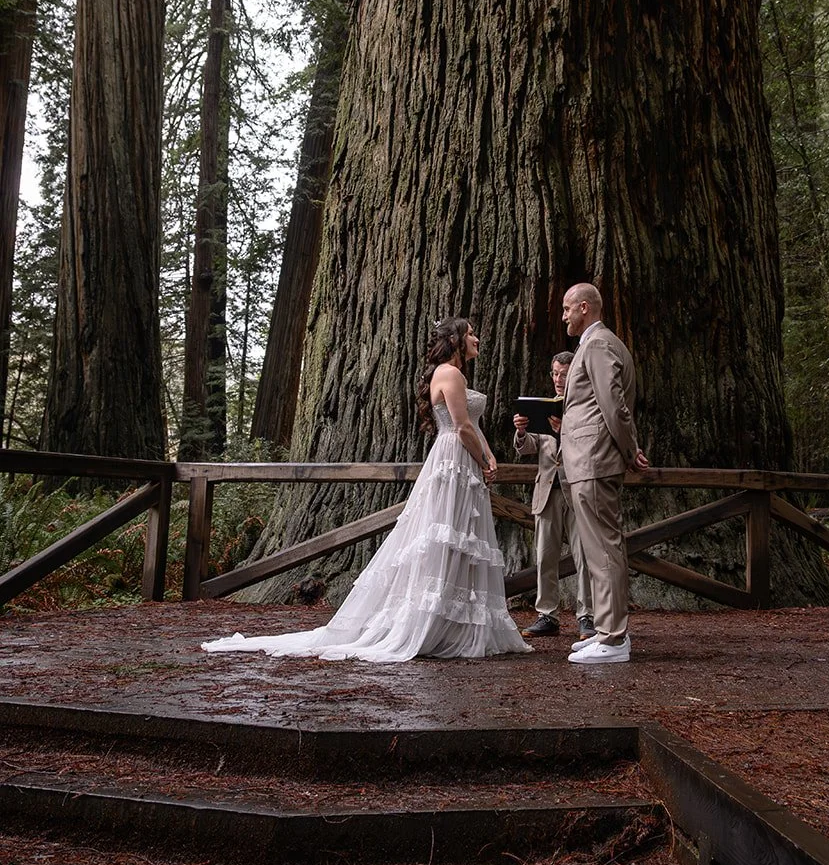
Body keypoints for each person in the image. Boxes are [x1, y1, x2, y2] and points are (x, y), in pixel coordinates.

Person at [201, 318, 531, 663]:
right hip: (454, 460)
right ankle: (431, 625)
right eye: (471, 333)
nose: (477, 338)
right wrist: (482, 461)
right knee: (446, 538)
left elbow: (473, 426)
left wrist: (489, 456)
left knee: (462, 539)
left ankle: (454, 626)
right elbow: (460, 427)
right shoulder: (450, 373)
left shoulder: (455, 375)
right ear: (456, 339)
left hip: (465, 459)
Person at [558, 283, 649, 665]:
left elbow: (614, 405)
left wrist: (630, 450)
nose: (563, 316)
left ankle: (613, 639)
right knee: (597, 549)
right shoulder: (598, 344)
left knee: (604, 549)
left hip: (594, 459)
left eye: (567, 309)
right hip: (588, 459)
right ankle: (605, 629)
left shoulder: (597, 344)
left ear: (585, 307)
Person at [513, 351, 594, 640]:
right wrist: (521, 432)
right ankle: (547, 615)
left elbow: (591, 447)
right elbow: (529, 447)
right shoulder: (544, 407)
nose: (558, 379)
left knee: (584, 556)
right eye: (555, 373)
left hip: (578, 490)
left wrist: (565, 432)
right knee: (545, 556)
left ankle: (587, 616)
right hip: (547, 490)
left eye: (564, 374)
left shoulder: (585, 407)